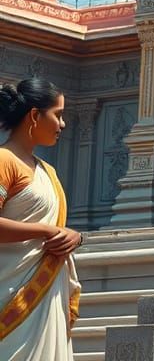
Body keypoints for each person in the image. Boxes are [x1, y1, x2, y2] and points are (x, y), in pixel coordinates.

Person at [0, 78, 81, 360]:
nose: (63, 124)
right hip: (11, 296)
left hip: (47, 295)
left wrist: (75, 236)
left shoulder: (48, 171)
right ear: (34, 115)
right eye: (57, 115)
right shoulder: (4, 160)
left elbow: (55, 230)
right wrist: (45, 231)